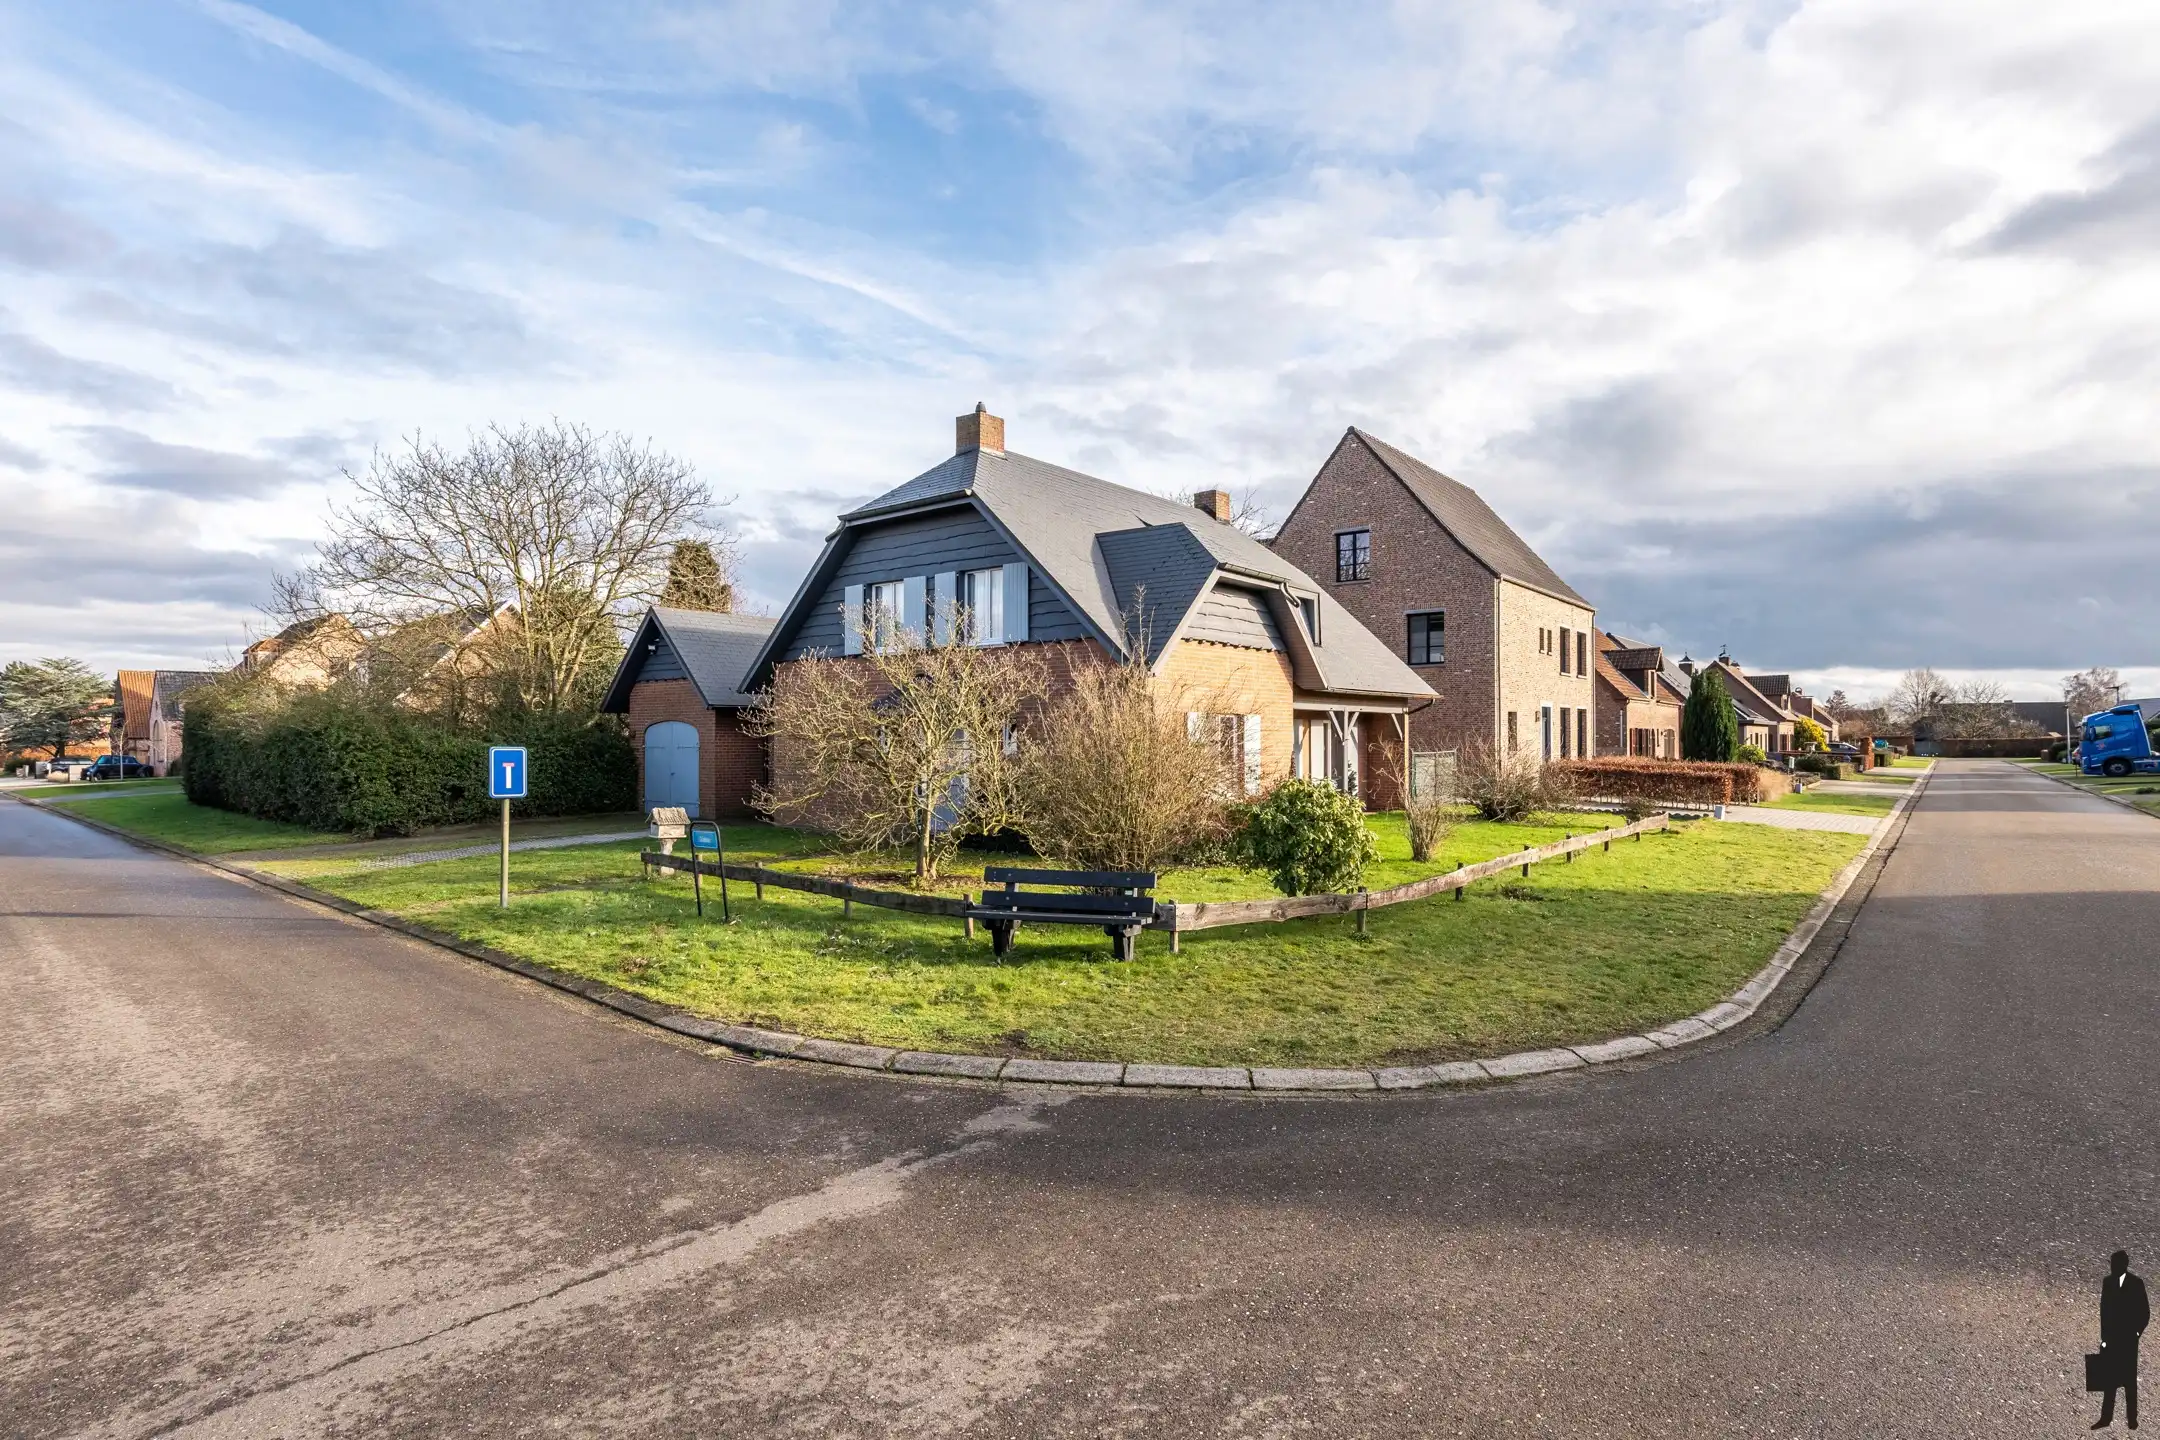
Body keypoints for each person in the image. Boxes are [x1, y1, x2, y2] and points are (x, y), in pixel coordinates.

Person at [2097, 1250, 2150, 1429]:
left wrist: (2136, 1333)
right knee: (2109, 1380)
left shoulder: (2136, 1283)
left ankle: (2132, 1419)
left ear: (2124, 1264)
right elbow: (2104, 1312)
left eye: (2115, 1263)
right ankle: (2106, 1418)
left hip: (2128, 1341)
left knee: (2129, 1381)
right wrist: (2104, 1338)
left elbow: (2145, 1312)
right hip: (2111, 1340)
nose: (2112, 1267)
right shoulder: (2108, 1282)